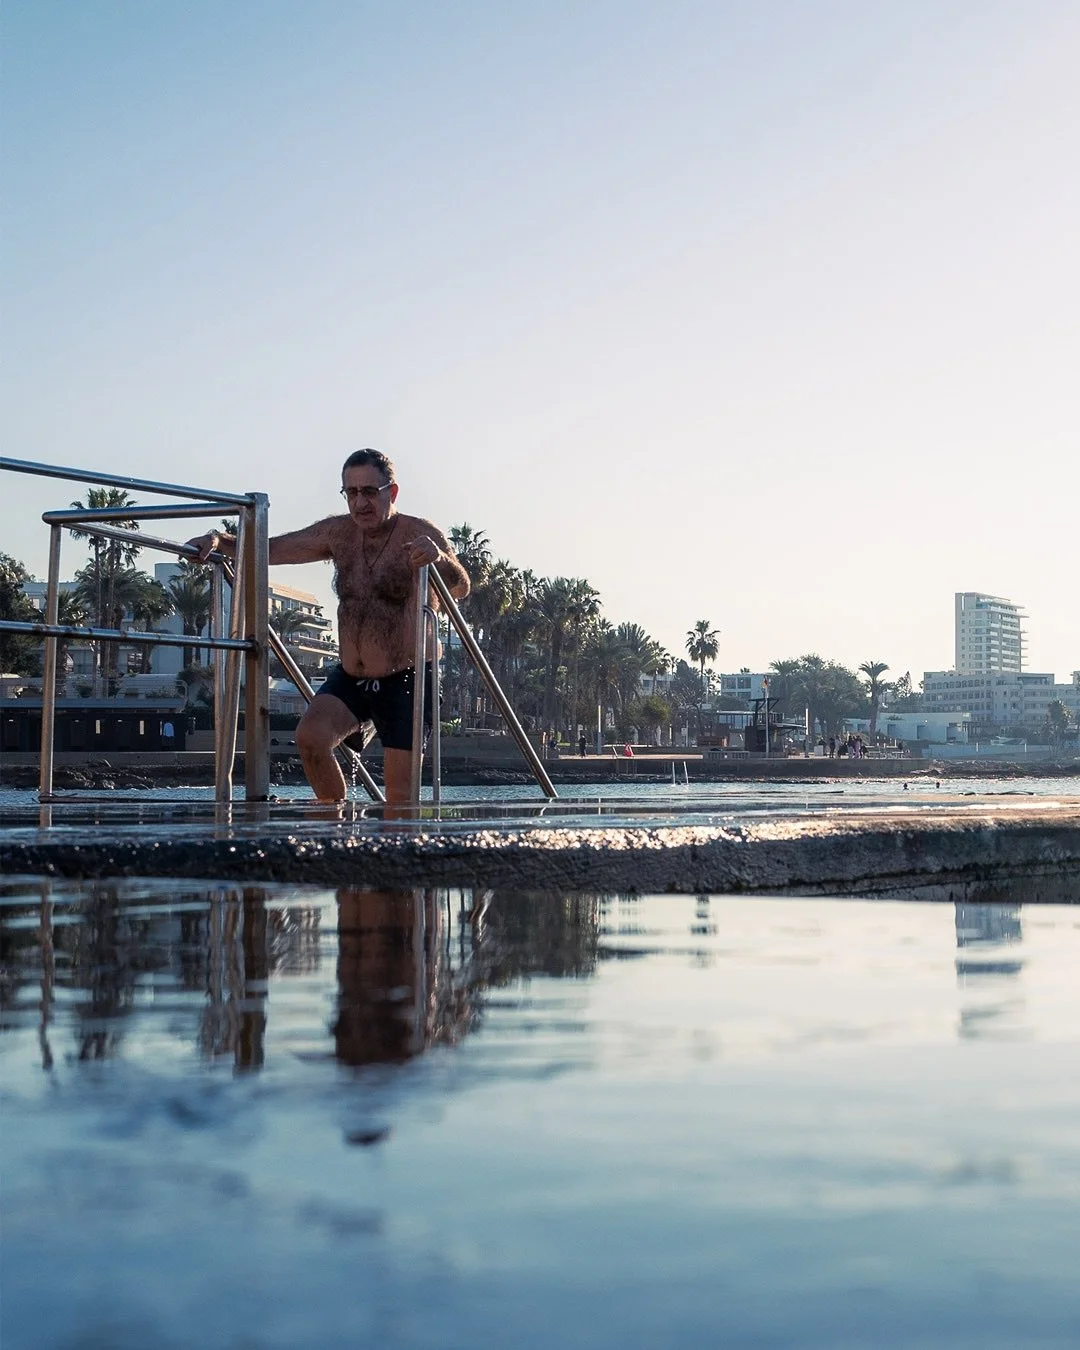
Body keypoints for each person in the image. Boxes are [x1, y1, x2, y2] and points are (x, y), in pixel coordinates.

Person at [187, 448, 469, 806]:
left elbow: (460, 587)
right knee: (311, 738)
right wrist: (219, 541)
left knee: (400, 800)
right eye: (351, 493)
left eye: (369, 492)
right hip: (352, 676)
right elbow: (270, 550)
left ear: (391, 492)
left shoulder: (418, 533)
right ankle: (335, 826)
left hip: (408, 677)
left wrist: (439, 559)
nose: (360, 503)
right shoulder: (338, 533)